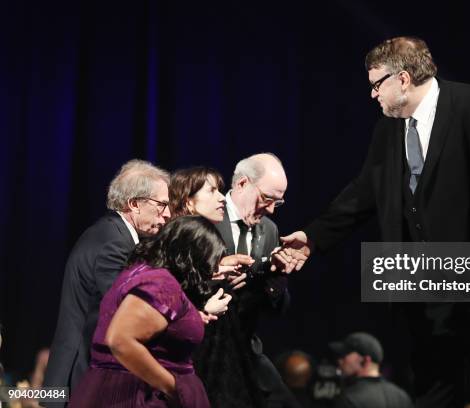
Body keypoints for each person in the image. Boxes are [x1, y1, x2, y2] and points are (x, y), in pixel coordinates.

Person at [281, 36, 470, 408]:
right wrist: (313, 236)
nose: (372, 95)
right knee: (433, 387)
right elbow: (364, 192)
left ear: (402, 79)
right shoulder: (388, 129)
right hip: (428, 286)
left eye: (375, 85)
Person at [68, 215, 231, 407]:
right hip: (139, 396)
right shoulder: (161, 283)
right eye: (209, 262)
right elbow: (121, 340)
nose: (210, 270)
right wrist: (172, 388)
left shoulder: (143, 271)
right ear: (192, 255)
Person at [44, 159, 172, 397]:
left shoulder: (112, 233)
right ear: (134, 203)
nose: (168, 214)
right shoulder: (113, 243)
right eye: (161, 205)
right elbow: (123, 309)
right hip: (82, 373)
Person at [189, 154, 297, 408]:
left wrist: (275, 282)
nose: (271, 208)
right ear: (242, 184)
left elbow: (276, 309)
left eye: (278, 202)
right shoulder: (203, 220)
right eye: (267, 198)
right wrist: (217, 283)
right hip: (202, 349)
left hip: (245, 348)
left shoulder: (269, 230)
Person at [329, 332, 413, 408]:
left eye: (345, 355)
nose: (340, 360)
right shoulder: (401, 397)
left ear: (365, 360)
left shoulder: (349, 399)